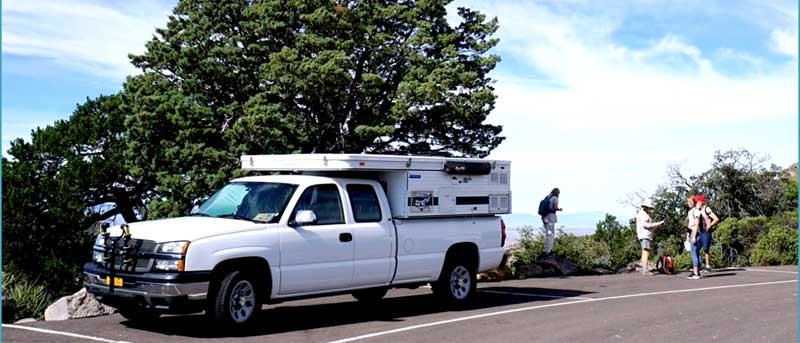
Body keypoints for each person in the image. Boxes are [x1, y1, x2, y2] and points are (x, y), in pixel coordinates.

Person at [636, 199, 664, 276]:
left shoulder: (643, 214)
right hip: (645, 235)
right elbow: (646, 225)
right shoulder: (643, 215)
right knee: (646, 252)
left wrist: (655, 225)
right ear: (646, 207)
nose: (651, 209)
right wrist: (657, 224)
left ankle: (643, 268)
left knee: (644, 252)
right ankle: (645, 270)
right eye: (650, 208)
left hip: (645, 235)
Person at [694, 194, 719, 273]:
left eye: (697, 201)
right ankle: (699, 265)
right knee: (696, 248)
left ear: (701, 201)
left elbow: (716, 219)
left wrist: (710, 225)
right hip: (699, 231)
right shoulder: (697, 210)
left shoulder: (706, 209)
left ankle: (708, 266)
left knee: (706, 249)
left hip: (705, 231)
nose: (696, 203)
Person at [540, 188, 562, 257]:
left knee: (548, 234)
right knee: (551, 235)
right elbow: (555, 207)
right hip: (550, 218)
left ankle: (546, 250)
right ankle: (549, 251)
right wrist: (559, 209)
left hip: (544, 218)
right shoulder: (555, 198)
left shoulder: (548, 197)